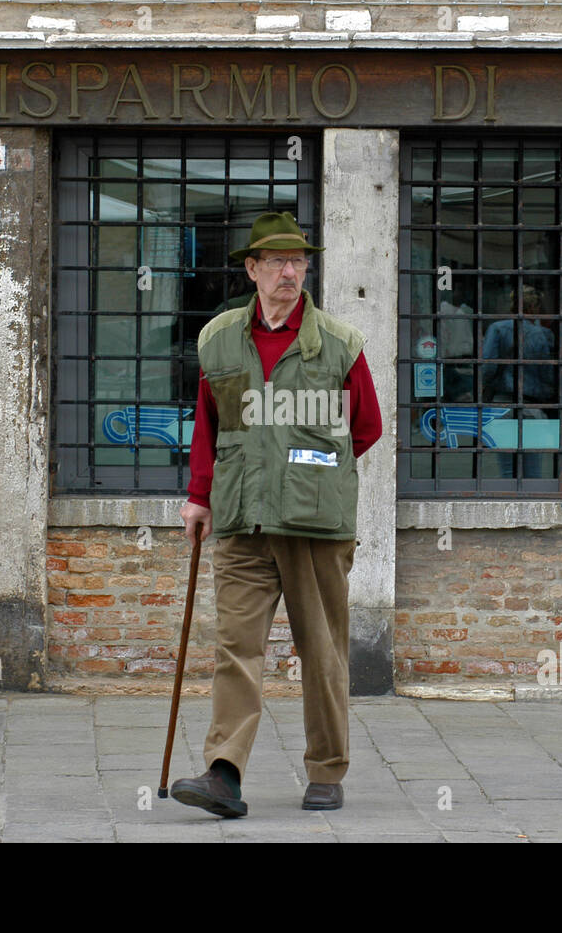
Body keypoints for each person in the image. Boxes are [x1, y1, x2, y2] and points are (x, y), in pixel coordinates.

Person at [172, 211, 382, 818]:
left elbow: (364, 428)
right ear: (253, 270)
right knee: (235, 648)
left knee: (322, 650)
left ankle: (326, 771)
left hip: (314, 525)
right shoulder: (218, 339)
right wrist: (199, 496)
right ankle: (223, 774)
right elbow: (209, 427)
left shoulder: (339, 342)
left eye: (298, 261)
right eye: (277, 262)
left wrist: (310, 470)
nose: (289, 271)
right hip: (241, 521)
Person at [480, 286, 556, 478]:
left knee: (508, 470)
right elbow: (548, 375)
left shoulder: (497, 329)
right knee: (533, 471)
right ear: (534, 308)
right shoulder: (543, 335)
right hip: (532, 405)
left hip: (502, 405)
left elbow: (487, 369)